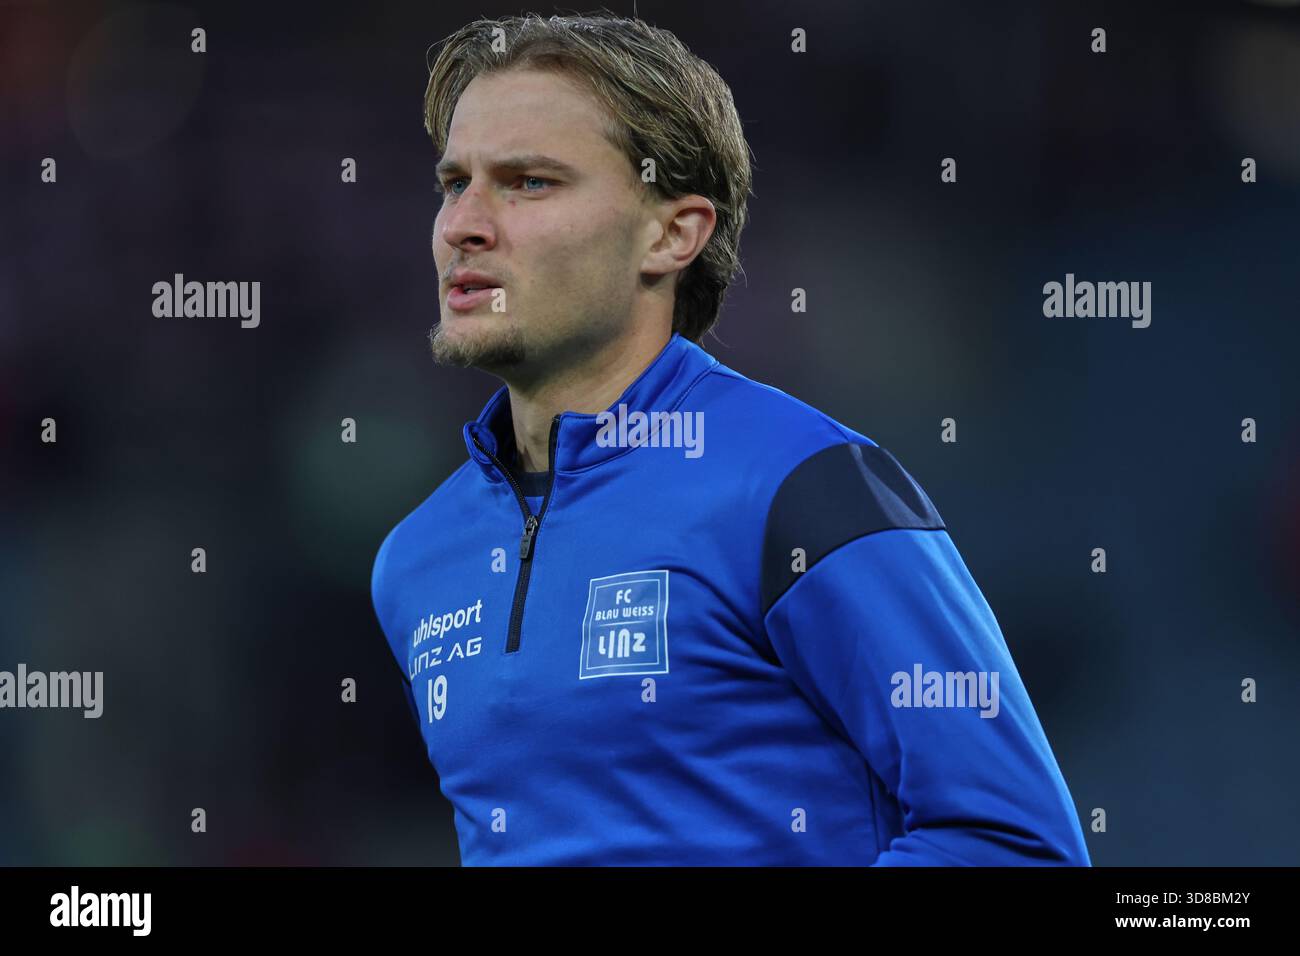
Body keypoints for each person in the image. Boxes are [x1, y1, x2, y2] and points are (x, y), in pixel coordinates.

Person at [370, 12, 1091, 866]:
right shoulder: (415, 560)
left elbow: (1017, 845)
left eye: (529, 182)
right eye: (455, 182)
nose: (463, 226)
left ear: (673, 234)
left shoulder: (804, 488)